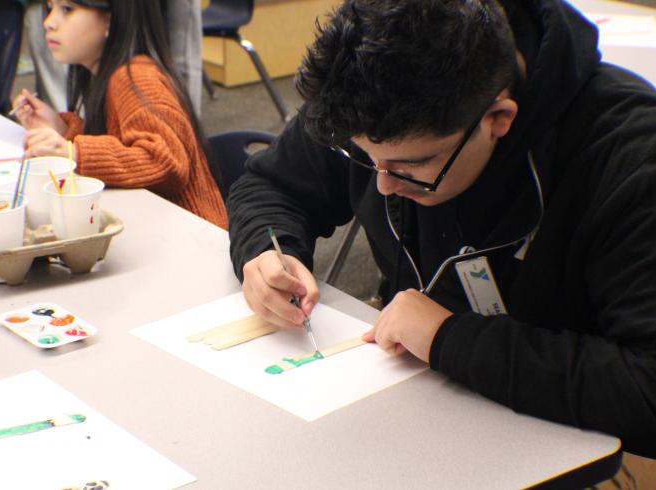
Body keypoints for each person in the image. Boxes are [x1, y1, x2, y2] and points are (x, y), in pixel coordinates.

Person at [227, 0, 656, 457]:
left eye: (412, 167)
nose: (384, 185)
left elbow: (647, 391)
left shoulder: (629, 156)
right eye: (364, 157)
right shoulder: (363, 92)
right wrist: (268, 249)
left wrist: (449, 338)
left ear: (499, 120)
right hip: (418, 408)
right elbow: (271, 185)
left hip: (566, 439)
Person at [14, 0, 227, 229]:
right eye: (50, 8)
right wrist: (62, 129)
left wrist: (73, 151)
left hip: (195, 243)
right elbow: (121, 144)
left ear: (110, 20)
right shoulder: (109, 73)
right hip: (164, 231)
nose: (48, 22)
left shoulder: (137, 78)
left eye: (67, 9)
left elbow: (166, 161)